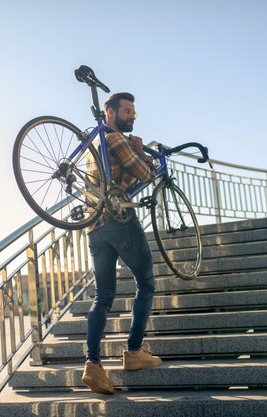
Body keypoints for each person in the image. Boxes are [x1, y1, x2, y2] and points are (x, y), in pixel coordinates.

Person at [81, 92, 162, 395]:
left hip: (93, 226)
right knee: (147, 282)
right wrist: (140, 151)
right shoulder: (115, 139)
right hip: (117, 219)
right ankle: (134, 352)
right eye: (127, 111)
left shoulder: (95, 143)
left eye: (134, 113)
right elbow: (146, 173)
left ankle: (93, 365)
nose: (132, 116)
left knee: (103, 296)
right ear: (110, 112)